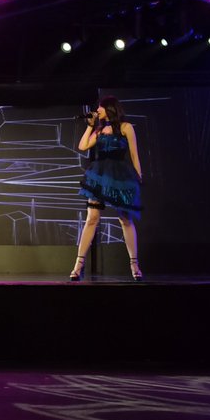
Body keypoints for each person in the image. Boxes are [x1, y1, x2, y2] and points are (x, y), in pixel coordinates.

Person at [70, 95, 143, 281]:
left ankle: (134, 264)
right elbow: (83, 146)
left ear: (109, 108)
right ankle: (78, 265)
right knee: (92, 218)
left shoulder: (126, 127)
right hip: (99, 176)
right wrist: (90, 126)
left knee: (125, 219)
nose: (97, 111)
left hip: (120, 177)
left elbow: (134, 155)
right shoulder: (99, 130)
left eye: (100, 108)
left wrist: (138, 177)